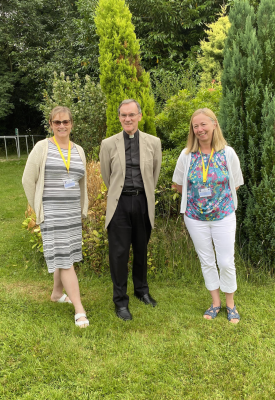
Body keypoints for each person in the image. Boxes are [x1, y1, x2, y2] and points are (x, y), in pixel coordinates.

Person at [172, 108, 244, 323]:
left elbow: (236, 184)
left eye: (204, 124)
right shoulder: (187, 156)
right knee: (207, 261)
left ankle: (231, 304)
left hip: (223, 216)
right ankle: (215, 303)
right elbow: (177, 185)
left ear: (214, 124)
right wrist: (198, 198)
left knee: (225, 261)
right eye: (196, 126)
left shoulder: (227, 153)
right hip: (195, 218)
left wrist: (216, 201)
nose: (200, 129)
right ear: (192, 130)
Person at [22, 106, 89, 328]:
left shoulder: (78, 150)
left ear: (72, 124)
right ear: (50, 124)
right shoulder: (42, 147)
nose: (62, 126)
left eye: (65, 122)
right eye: (57, 122)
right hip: (52, 214)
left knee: (65, 254)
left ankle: (56, 293)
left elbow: (81, 182)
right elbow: (27, 180)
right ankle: (79, 309)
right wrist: (38, 209)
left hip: (71, 214)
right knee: (66, 260)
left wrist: (81, 209)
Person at [99, 99, 162, 321]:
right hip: (119, 204)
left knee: (141, 250)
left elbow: (154, 174)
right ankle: (120, 300)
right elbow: (107, 176)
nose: (128, 119)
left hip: (143, 202)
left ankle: (141, 291)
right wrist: (121, 193)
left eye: (132, 115)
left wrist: (143, 195)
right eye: (124, 115)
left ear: (140, 116)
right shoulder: (108, 144)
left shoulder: (154, 142)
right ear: (119, 117)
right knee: (118, 254)